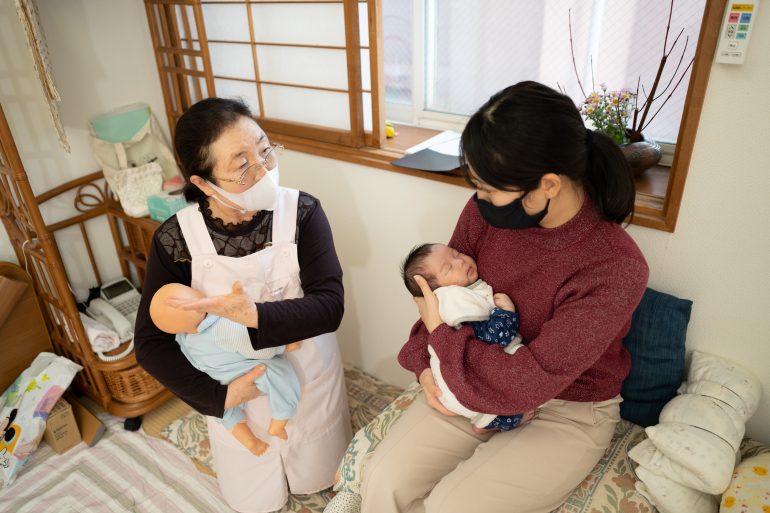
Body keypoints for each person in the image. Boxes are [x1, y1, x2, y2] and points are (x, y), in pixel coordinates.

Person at [360, 81, 649, 513]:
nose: (478, 199)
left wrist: (440, 340)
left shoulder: (614, 265)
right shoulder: (484, 213)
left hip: (568, 407)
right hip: (472, 373)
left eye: (490, 189)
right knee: (382, 482)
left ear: (548, 184)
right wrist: (425, 365)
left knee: (452, 506)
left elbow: (525, 383)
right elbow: (437, 302)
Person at [134, 98, 350, 513]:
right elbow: (150, 343)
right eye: (242, 165)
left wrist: (254, 317)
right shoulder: (176, 241)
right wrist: (217, 397)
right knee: (254, 495)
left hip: (310, 377)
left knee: (322, 472)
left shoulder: (303, 211)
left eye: (265, 151)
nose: (264, 169)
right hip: (238, 398)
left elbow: (330, 306)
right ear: (202, 183)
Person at [149, 282, 302, 456]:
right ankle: (279, 420)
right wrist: (282, 347)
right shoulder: (222, 327)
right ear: (199, 304)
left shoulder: (183, 341)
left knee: (224, 411)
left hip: (219, 381)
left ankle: (249, 441)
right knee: (280, 373)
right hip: (246, 369)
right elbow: (253, 347)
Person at [401, 243, 533, 433]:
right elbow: (492, 339)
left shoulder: (463, 290)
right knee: (506, 400)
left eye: (456, 254)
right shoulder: (454, 300)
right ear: (434, 291)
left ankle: (483, 421)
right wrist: (505, 314)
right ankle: (489, 423)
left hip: (454, 388)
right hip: (462, 387)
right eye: (449, 268)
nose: (460, 261)